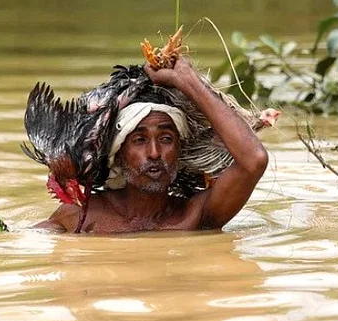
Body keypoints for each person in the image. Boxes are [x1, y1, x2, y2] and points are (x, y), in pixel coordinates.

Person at [34, 57, 270, 233]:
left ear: (179, 150)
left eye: (166, 139)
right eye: (139, 140)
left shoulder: (195, 217)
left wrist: (187, 81)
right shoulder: (80, 218)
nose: (155, 153)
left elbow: (254, 160)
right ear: (118, 155)